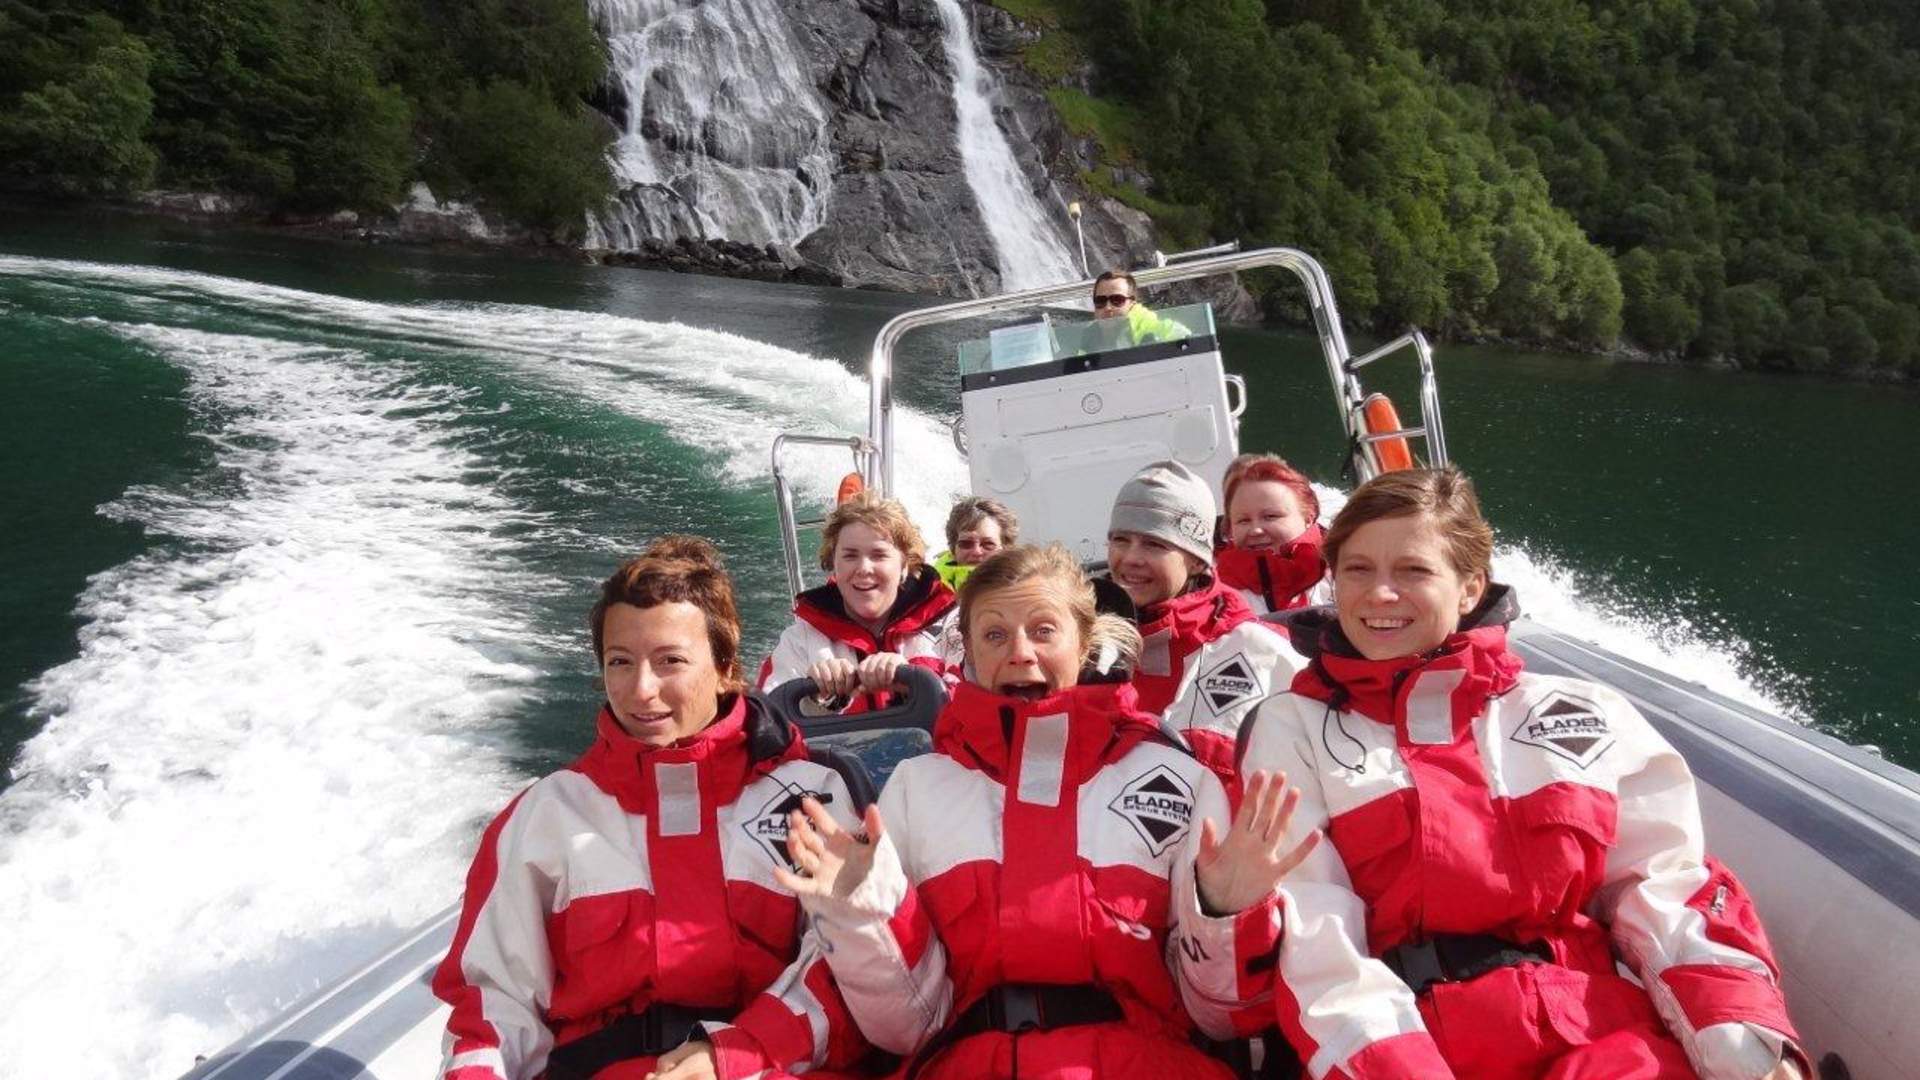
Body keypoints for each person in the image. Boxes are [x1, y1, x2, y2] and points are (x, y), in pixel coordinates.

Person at [1223, 469, 1807, 1079]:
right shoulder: (1293, 726)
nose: (1381, 594)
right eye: (1358, 570)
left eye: (1415, 571)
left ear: (1470, 586)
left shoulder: (1579, 712)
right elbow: (1319, 945)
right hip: (1405, 1041)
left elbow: (1664, 887)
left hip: (1605, 1038)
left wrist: (1743, 1046)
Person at [771, 543, 1321, 1080]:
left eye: (1043, 630)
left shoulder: (1177, 779)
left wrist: (1225, 912)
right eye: (994, 634)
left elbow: (1221, 1017)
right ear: (969, 655)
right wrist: (861, 915)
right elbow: (909, 1027)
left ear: (1083, 644)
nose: (1020, 652)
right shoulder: (919, 787)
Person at [432, 537, 871, 1080]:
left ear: (725, 666)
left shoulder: (811, 797)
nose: (641, 690)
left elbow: (850, 972)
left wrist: (733, 1056)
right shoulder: (546, 814)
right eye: (620, 662)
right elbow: (494, 1001)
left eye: (671, 662)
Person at [1103, 460, 1304, 785]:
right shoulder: (1085, 644)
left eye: (1154, 543)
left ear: (1197, 560)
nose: (1130, 558)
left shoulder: (1253, 647)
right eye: (1120, 540)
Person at [758, 493, 957, 711]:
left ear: (904, 566)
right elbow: (766, 725)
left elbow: (982, 707)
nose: (863, 568)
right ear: (833, 564)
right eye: (850, 556)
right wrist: (813, 700)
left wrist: (915, 682)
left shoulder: (953, 626)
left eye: (879, 555)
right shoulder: (800, 642)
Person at [1215, 454, 1328, 615]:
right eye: (1243, 520)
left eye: (1270, 516)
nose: (1255, 530)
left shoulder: (1344, 571)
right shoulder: (1212, 592)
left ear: (1308, 518)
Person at [930, 496, 1019, 591]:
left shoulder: (1023, 590)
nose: (976, 552)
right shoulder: (930, 592)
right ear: (953, 550)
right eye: (966, 544)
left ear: (1006, 549)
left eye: (988, 544)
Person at [1091, 270, 1189, 345]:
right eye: (1100, 300)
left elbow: (1185, 338)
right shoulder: (1087, 337)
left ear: (1132, 304)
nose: (1108, 307)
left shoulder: (1149, 328)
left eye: (1117, 300)